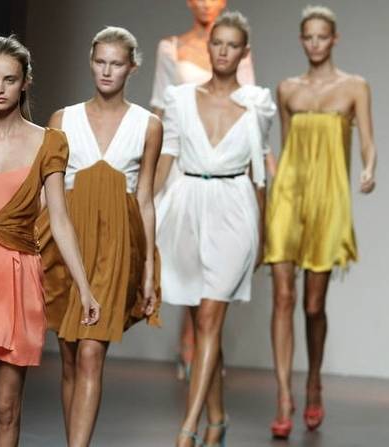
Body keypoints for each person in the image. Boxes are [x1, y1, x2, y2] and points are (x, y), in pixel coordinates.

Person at [0, 36, 100, 447]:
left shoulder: (49, 142)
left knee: (6, 407)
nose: (0, 88)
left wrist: (84, 286)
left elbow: (60, 219)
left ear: (25, 82)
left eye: (10, 79)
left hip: (16, 278)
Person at [155, 12, 276, 446]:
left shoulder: (258, 103)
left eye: (232, 45)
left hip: (235, 209)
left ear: (245, 52)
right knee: (203, 321)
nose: (223, 51)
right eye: (218, 43)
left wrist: (263, 232)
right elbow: (166, 156)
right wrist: (145, 210)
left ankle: (188, 429)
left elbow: (259, 170)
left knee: (209, 317)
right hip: (186, 207)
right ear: (210, 47)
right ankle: (218, 418)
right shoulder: (180, 98)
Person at [38, 26, 162, 447]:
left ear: (132, 68)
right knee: (70, 357)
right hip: (67, 243)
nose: (107, 71)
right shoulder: (63, 120)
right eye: (100, 62)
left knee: (91, 353)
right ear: (91, 63)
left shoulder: (148, 125)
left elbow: (145, 198)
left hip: (116, 246)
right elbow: (47, 194)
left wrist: (149, 270)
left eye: (116, 63)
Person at [265, 5, 377, 439]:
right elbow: (286, 145)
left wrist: (369, 169)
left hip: (329, 201)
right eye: (308, 37)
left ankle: (313, 380)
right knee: (283, 298)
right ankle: (283, 395)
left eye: (322, 36)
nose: (314, 43)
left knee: (313, 306)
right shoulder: (287, 89)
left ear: (334, 39)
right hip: (288, 198)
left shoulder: (354, 87)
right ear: (301, 40)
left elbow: (367, 141)